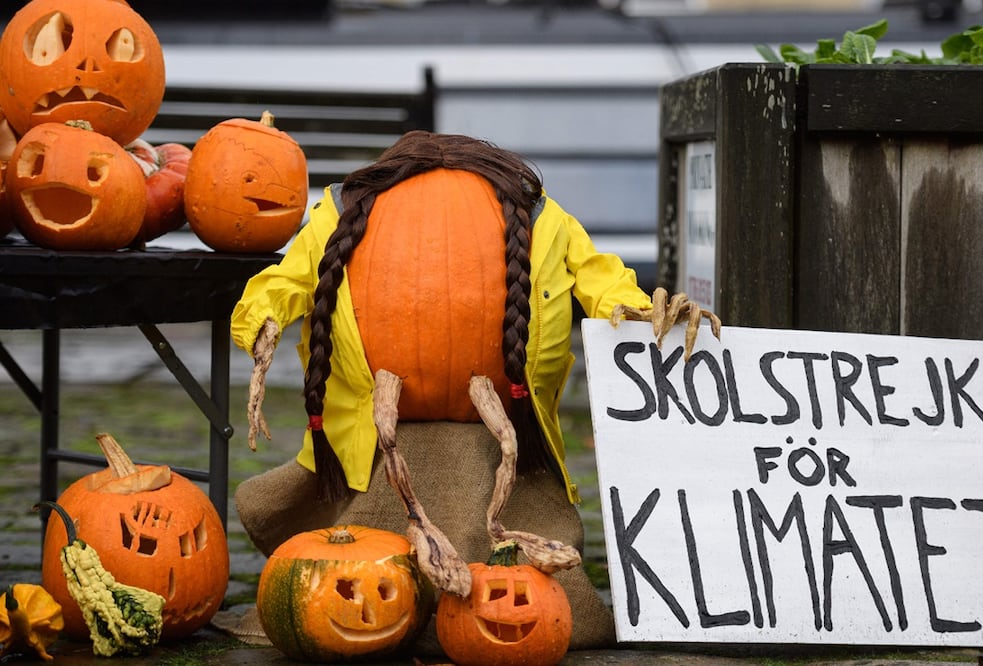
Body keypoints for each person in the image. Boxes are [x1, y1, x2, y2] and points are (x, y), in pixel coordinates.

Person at [230, 130, 716, 650]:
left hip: (497, 411)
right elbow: (284, 282)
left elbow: (603, 282)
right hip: (383, 417)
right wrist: (262, 319)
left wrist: (643, 312)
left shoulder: (545, 222)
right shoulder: (340, 216)